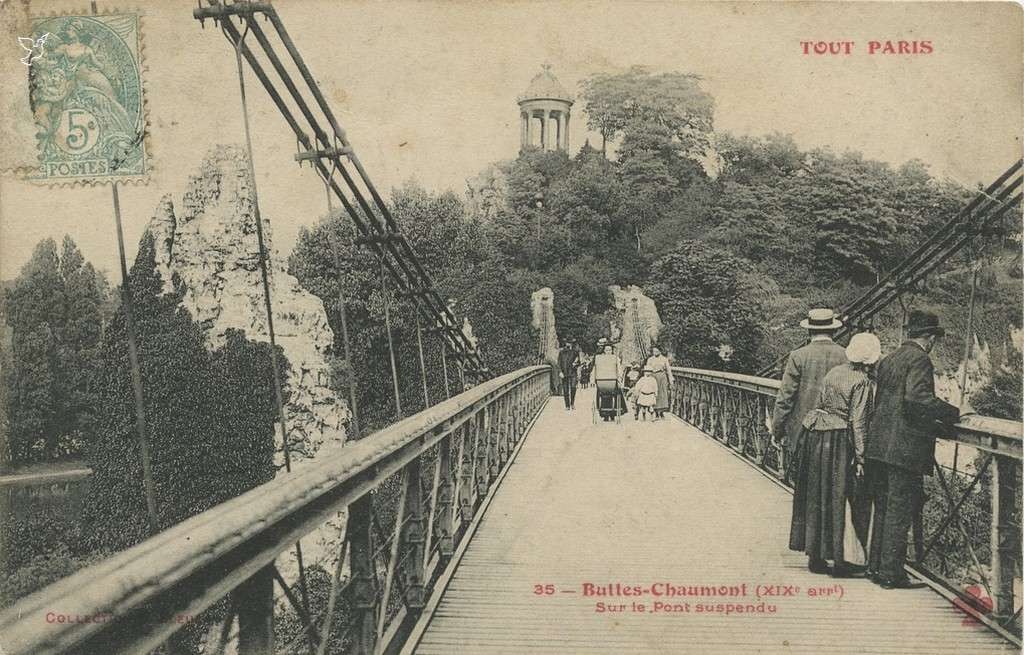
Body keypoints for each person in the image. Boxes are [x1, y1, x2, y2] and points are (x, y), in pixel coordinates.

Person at [866, 310, 959, 589]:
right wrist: (954, 412)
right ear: (929, 338)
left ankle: (876, 567)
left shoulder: (889, 359)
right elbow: (917, 400)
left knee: (882, 507)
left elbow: (889, 404)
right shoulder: (920, 359)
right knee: (899, 509)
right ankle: (891, 574)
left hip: (879, 446)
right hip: (903, 449)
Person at [789, 332, 880, 578]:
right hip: (839, 439)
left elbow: (820, 403)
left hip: (816, 435)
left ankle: (816, 557)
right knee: (841, 497)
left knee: (818, 493)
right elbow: (858, 423)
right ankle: (841, 560)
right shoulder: (861, 381)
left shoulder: (834, 372)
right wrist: (861, 458)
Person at [772, 309, 848, 482]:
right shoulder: (846, 356)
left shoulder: (798, 356)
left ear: (809, 330)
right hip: (838, 434)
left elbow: (785, 398)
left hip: (804, 432)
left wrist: (777, 430)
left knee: (805, 485)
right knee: (832, 486)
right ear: (834, 330)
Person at [593, 343, 627, 421]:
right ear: (604, 351)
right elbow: (596, 368)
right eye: (606, 350)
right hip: (602, 380)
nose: (608, 351)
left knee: (617, 393)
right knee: (602, 394)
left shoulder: (615, 358)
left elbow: (619, 369)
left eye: (610, 350)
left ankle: (613, 414)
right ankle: (605, 414)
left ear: (612, 351)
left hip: (613, 380)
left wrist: (619, 378)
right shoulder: (599, 359)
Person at [644, 345, 673, 419]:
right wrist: (646, 380)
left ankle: (662, 412)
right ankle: (656, 412)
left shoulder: (664, 359)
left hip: (662, 377)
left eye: (656, 351)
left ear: (660, 351)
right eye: (654, 351)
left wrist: (671, 380)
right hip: (653, 377)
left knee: (662, 394)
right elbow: (647, 370)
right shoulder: (650, 359)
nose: (655, 353)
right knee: (654, 394)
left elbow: (668, 370)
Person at [557, 338, 580, 411]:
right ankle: (567, 405)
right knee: (565, 389)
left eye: (570, 343)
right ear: (565, 343)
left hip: (573, 372)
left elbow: (579, 362)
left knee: (573, 387)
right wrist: (560, 372)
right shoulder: (561, 352)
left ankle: (572, 403)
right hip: (564, 373)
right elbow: (559, 363)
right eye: (567, 342)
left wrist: (575, 364)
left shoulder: (575, 352)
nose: (569, 344)